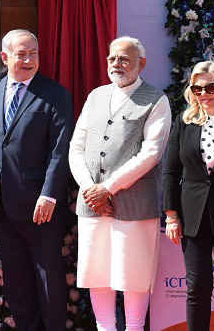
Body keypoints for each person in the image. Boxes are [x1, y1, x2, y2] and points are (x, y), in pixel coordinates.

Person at [0, 29, 73, 331]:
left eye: (34, 53)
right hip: (2, 206)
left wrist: (49, 195)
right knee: (17, 284)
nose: (28, 60)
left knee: (48, 283)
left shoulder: (56, 94)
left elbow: (60, 149)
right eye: (21, 54)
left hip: (41, 209)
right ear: (5, 57)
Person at [69, 36, 172, 331]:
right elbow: (76, 147)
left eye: (124, 59)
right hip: (92, 205)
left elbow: (151, 153)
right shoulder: (96, 96)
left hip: (136, 206)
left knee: (134, 275)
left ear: (141, 64)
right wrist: (90, 189)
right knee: (97, 274)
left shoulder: (156, 99)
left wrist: (108, 189)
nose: (117, 64)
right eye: (112, 58)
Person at [163, 60, 214, 331]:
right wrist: (171, 215)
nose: (204, 94)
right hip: (193, 217)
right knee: (196, 289)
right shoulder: (185, 120)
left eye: (211, 87)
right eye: (197, 89)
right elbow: (170, 170)